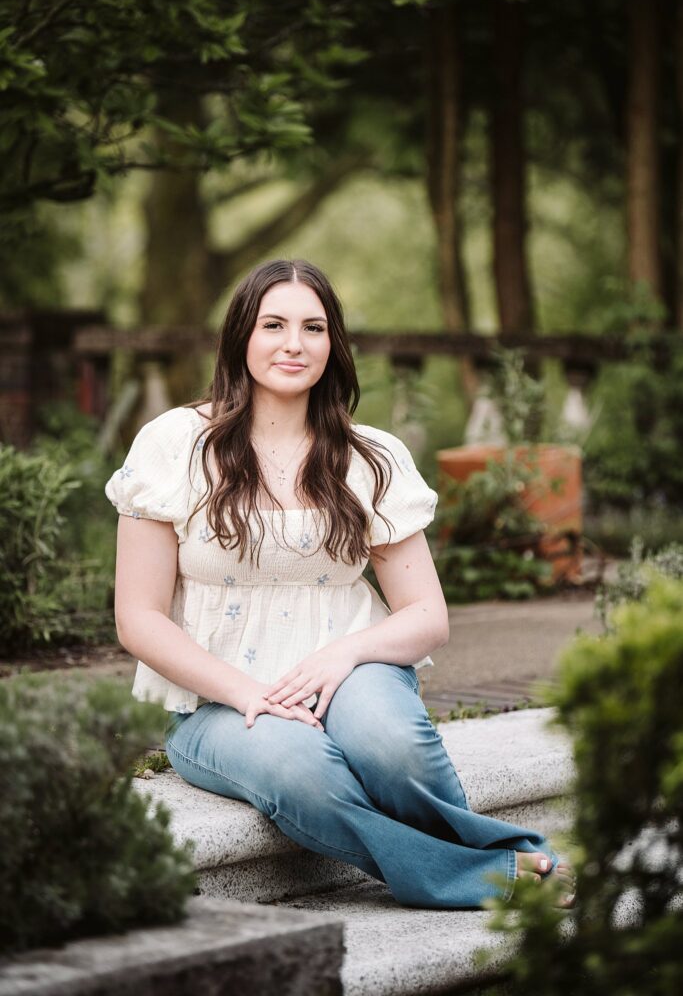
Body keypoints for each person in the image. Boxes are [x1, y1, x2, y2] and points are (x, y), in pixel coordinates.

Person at [105, 258, 574, 909]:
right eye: (273, 324)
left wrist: (340, 655)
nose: (293, 344)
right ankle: (501, 873)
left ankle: (495, 869)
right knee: (302, 769)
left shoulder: (371, 457)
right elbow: (139, 618)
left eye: (313, 327)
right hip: (216, 704)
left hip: (350, 673)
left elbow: (425, 615)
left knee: (388, 742)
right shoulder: (174, 446)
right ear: (241, 334)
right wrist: (248, 694)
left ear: (334, 345)